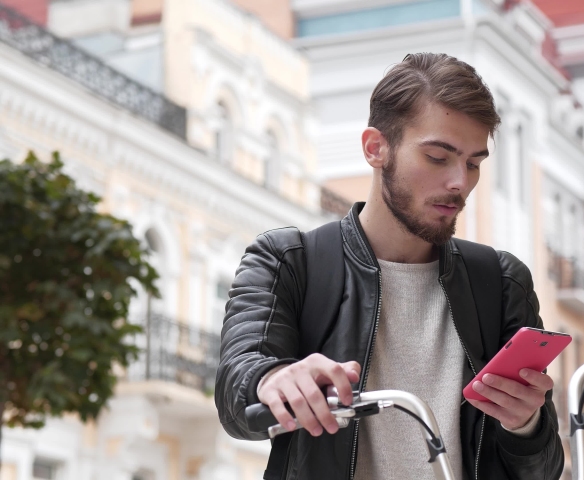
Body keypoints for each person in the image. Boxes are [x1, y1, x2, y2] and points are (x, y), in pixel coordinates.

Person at [215, 53, 563, 480]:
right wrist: (271, 379)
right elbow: (236, 388)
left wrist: (525, 424)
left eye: (473, 163)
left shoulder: (503, 281)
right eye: (438, 156)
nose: (460, 181)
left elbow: (544, 469)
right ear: (375, 148)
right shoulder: (288, 260)